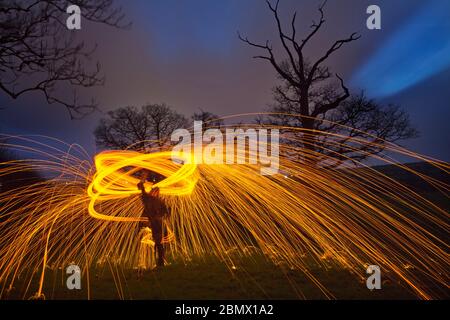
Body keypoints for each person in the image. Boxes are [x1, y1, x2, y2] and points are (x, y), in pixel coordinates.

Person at [137, 171, 169, 268]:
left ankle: (160, 262)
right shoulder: (148, 198)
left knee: (158, 242)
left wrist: (159, 216)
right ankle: (159, 261)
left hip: (158, 224)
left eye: (157, 191)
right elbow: (140, 186)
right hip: (154, 223)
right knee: (157, 242)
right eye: (155, 191)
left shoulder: (159, 201)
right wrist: (143, 179)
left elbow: (166, 212)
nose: (156, 192)